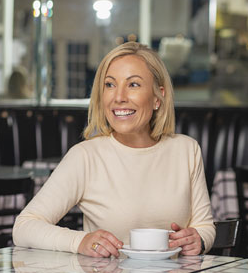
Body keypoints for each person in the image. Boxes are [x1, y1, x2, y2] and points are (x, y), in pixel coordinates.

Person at [13, 42, 215, 258]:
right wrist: (80, 241)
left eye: (133, 85)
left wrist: (199, 240)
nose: (118, 97)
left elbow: (205, 226)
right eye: (109, 85)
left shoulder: (186, 150)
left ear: (158, 97)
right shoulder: (86, 156)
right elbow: (24, 227)